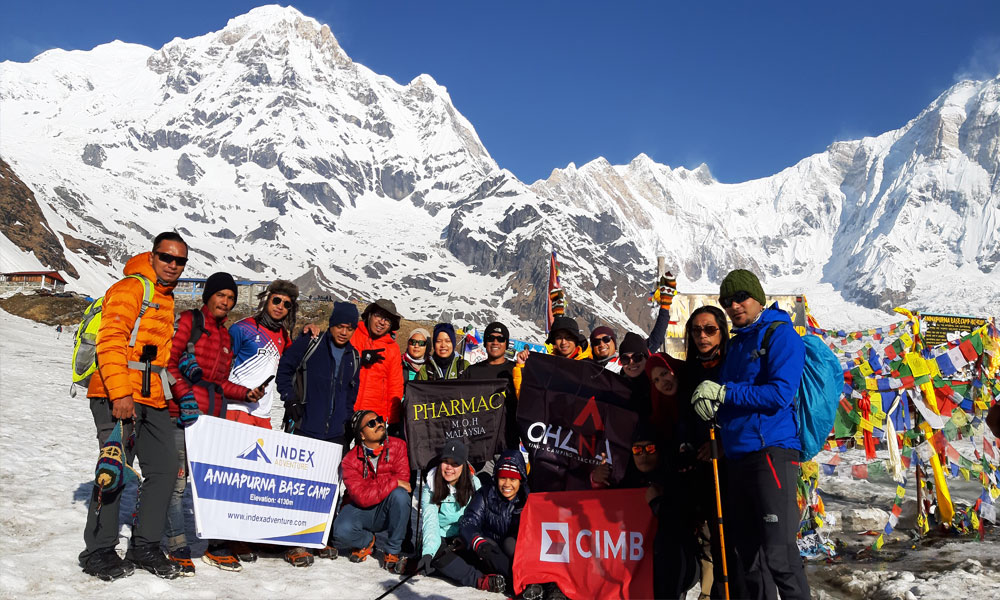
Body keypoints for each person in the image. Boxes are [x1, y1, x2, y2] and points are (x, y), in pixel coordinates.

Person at [690, 269, 810, 600]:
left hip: (772, 453)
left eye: (741, 298)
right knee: (749, 558)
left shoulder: (780, 335)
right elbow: (730, 397)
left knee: (779, 556)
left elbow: (779, 394)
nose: (734, 306)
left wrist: (724, 394)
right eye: (727, 301)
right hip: (737, 459)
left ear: (757, 297)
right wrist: (713, 407)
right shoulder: (739, 342)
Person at [78, 231, 188, 581]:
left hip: (151, 395)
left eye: (180, 260)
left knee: (165, 468)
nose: (173, 265)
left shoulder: (165, 296)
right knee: (113, 469)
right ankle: (98, 551)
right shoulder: (132, 288)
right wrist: (120, 393)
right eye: (167, 257)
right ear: (153, 255)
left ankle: (145, 545)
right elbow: (110, 341)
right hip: (117, 392)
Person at [164, 272, 265, 575]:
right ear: (208, 296)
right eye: (221, 295)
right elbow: (169, 363)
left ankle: (215, 544)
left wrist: (246, 393)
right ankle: (176, 544)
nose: (226, 301)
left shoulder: (224, 336)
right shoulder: (189, 322)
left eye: (231, 298)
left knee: (211, 484)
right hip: (180, 416)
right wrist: (184, 398)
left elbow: (219, 383)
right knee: (178, 483)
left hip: (210, 421)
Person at [276, 301, 361, 563]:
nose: (344, 332)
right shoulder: (310, 344)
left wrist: (348, 423)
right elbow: (284, 370)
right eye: (340, 326)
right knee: (299, 486)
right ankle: (294, 541)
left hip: (336, 433)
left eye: (350, 327)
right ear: (331, 325)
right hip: (306, 425)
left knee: (328, 488)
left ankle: (319, 538)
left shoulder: (353, 357)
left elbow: (350, 393)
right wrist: (290, 400)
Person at [415, 440, 505, 592]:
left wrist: (467, 537)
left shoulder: (474, 483)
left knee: (485, 548)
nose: (449, 468)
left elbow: (480, 518)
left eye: (455, 463)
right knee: (437, 555)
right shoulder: (431, 486)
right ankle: (479, 580)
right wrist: (428, 552)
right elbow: (431, 523)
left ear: (463, 465)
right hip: (440, 537)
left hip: (466, 535)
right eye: (446, 462)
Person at [333, 410, 411, 574]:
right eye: (371, 423)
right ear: (361, 435)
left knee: (400, 496)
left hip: (387, 508)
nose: (379, 424)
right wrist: (393, 481)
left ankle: (392, 551)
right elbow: (361, 497)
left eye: (379, 420)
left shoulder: (398, 446)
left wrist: (376, 487)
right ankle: (367, 541)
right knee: (340, 532)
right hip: (361, 510)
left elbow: (405, 483)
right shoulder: (349, 460)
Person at [227, 279, 299, 429]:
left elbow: (294, 361)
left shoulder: (283, 336)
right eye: (276, 300)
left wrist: (308, 330)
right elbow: (222, 367)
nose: (280, 306)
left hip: (263, 414)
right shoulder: (242, 328)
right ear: (267, 300)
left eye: (287, 304)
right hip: (237, 408)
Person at [458, 450, 528, 595]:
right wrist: (476, 540)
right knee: (487, 545)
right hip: (491, 551)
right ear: (496, 477)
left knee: (510, 543)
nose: (507, 484)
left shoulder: (528, 499)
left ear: (520, 480)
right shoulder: (485, 493)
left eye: (513, 479)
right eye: (503, 478)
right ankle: (520, 583)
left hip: (517, 554)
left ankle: (528, 579)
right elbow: (469, 520)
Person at [351, 299, 405, 434]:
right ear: (369, 315)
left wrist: (392, 420)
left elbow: (395, 386)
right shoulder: (352, 333)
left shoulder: (393, 349)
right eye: (379, 316)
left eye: (387, 320)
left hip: (373, 419)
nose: (382, 322)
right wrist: (359, 358)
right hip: (345, 410)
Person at [464, 322, 519, 451]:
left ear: (506, 343)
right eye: (490, 338)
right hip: (477, 445)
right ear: (484, 342)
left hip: (507, 445)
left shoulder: (516, 370)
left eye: (500, 339)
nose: (495, 342)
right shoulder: (472, 371)